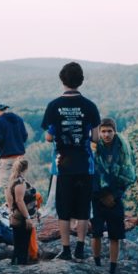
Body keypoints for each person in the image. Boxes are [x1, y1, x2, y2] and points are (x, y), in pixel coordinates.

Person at [41, 62, 101, 260]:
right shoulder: (90, 106)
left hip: (62, 166)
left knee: (64, 209)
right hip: (85, 164)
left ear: (62, 80)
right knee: (83, 208)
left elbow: (49, 136)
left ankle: (66, 249)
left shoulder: (53, 106)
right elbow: (95, 137)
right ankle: (80, 248)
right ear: (80, 80)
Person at [91, 117, 136, 274]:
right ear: (99, 132)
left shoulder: (123, 148)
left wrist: (114, 195)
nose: (106, 134)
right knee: (96, 232)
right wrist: (101, 195)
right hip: (97, 197)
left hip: (115, 197)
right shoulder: (94, 148)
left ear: (114, 131)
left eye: (109, 131)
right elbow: (91, 173)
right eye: (103, 131)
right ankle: (96, 263)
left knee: (114, 235)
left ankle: (112, 267)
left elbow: (128, 174)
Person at [0, 102, 28, 201]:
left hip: (6, 158)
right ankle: (21, 207)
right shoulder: (18, 119)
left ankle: (11, 209)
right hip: (20, 157)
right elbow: (24, 137)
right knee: (20, 183)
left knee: (7, 186)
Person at [7, 159, 39, 265]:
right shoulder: (20, 182)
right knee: (23, 245)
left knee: (18, 245)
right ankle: (20, 265)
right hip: (22, 218)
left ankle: (16, 264)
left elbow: (10, 199)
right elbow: (19, 201)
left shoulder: (13, 181)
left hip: (18, 217)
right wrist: (28, 218)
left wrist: (10, 212)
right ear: (26, 168)